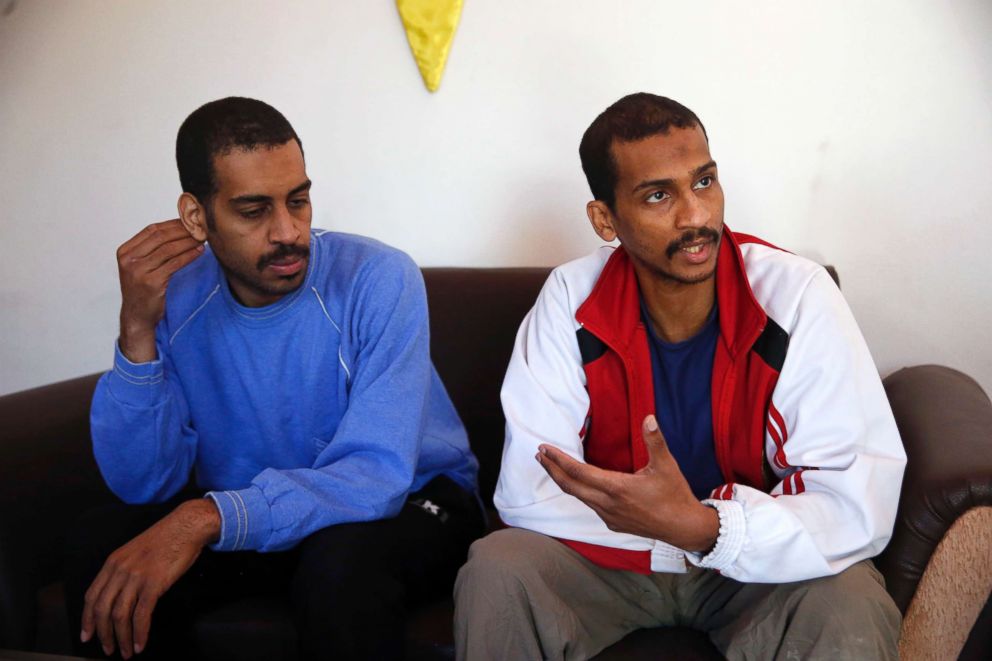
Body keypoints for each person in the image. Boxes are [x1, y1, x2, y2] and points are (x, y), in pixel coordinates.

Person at [454, 93, 906, 660]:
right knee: (497, 571)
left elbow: (853, 499)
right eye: (658, 196)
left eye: (704, 182)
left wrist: (707, 529)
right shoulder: (570, 299)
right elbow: (529, 489)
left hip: (753, 567)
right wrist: (661, 532)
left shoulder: (797, 295)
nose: (695, 216)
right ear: (605, 219)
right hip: (609, 561)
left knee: (850, 601)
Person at [67, 97, 482, 660]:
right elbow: (146, 485)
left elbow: (375, 476)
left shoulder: (379, 278)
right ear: (196, 217)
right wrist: (138, 328)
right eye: (253, 210)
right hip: (261, 513)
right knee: (102, 546)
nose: (288, 231)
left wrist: (206, 516)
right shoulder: (176, 298)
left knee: (339, 568)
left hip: (414, 502)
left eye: (298, 200)